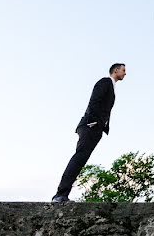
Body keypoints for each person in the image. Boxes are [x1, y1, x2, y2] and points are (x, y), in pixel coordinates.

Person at [51, 63, 126, 202]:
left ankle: (62, 194)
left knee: (81, 160)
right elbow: (94, 102)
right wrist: (94, 123)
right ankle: (60, 194)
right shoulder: (105, 82)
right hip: (90, 126)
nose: (125, 73)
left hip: (95, 128)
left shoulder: (111, 87)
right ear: (116, 70)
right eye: (123, 70)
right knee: (79, 158)